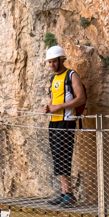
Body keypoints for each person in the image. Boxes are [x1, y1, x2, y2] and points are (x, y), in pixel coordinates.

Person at [41, 45, 86, 207]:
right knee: (57, 157)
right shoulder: (53, 79)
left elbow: (81, 98)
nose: (52, 65)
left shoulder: (71, 75)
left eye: (54, 62)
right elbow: (54, 100)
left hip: (67, 121)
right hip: (54, 121)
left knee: (64, 155)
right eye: (50, 62)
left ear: (61, 60)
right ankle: (64, 192)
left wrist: (59, 107)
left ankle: (70, 195)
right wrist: (48, 107)